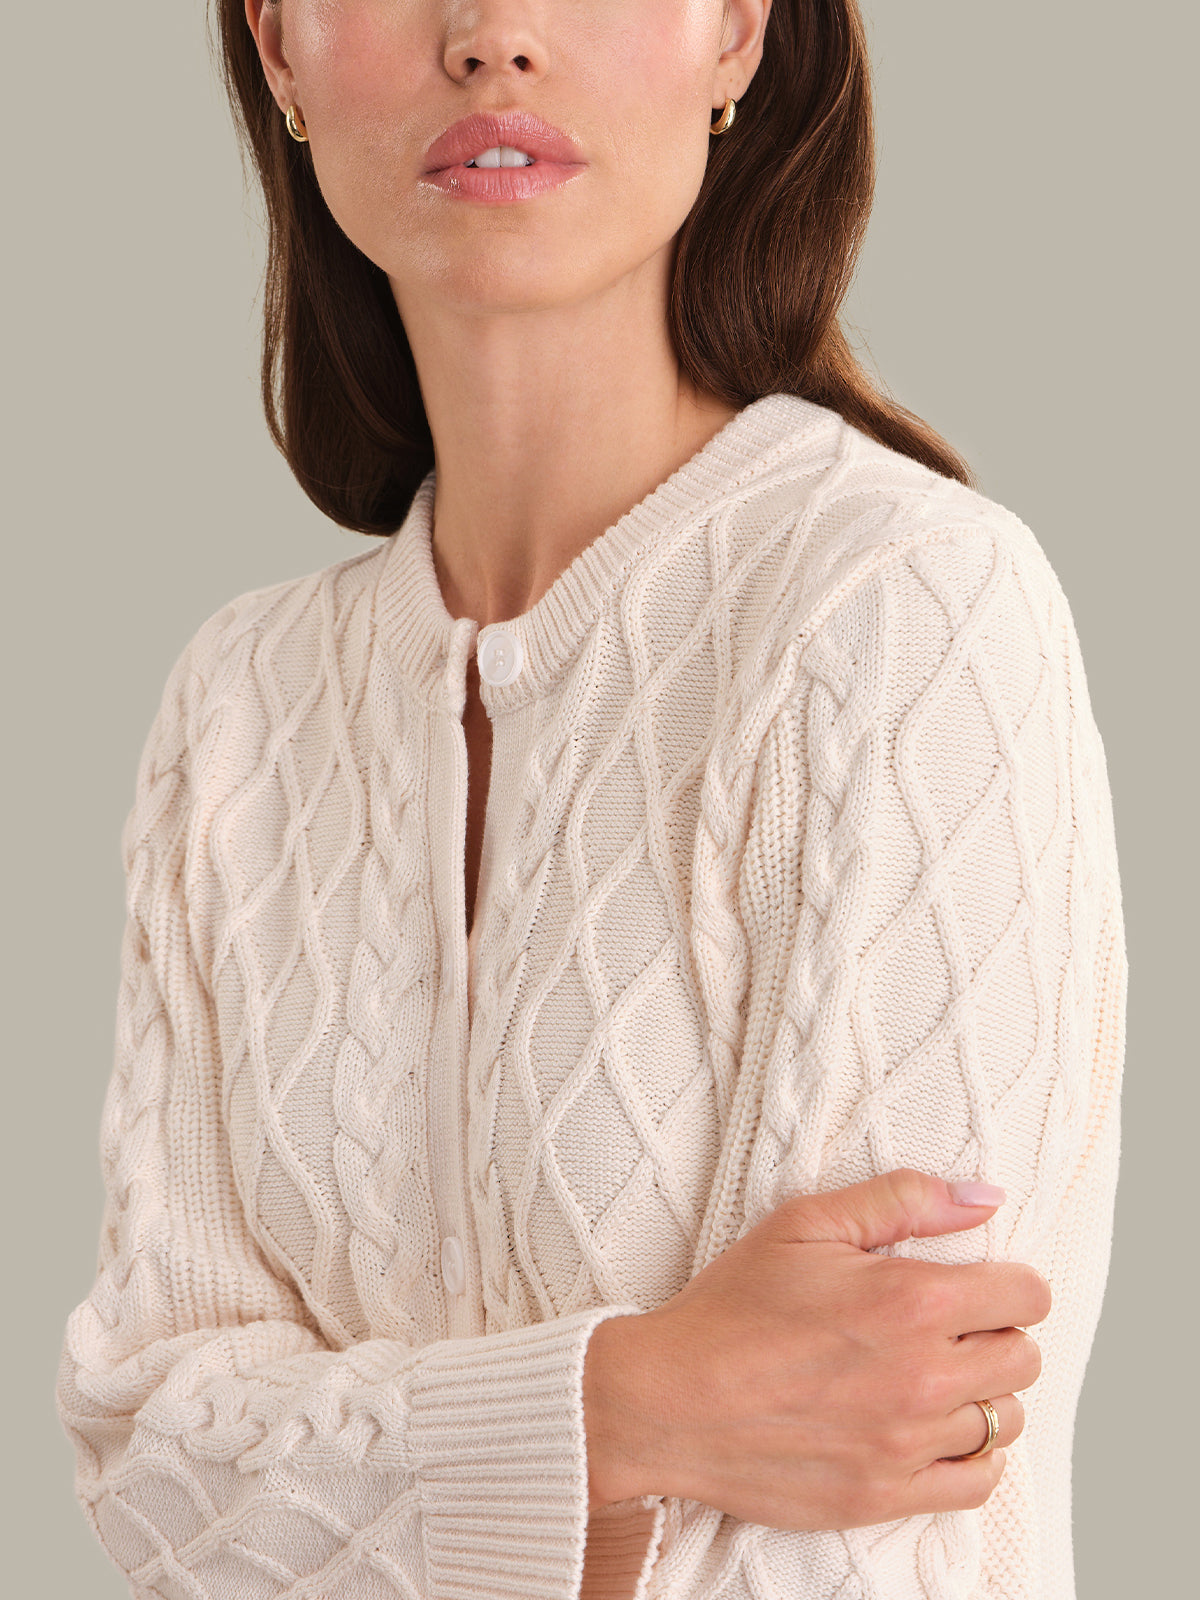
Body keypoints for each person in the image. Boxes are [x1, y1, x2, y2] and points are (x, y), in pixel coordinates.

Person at [55, 2, 1126, 1598]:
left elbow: (865, 1508)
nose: (491, 34)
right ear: (277, 43)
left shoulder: (900, 611)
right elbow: (149, 1463)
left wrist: (351, 1475)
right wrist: (621, 1411)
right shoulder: (238, 709)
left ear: (738, 33)